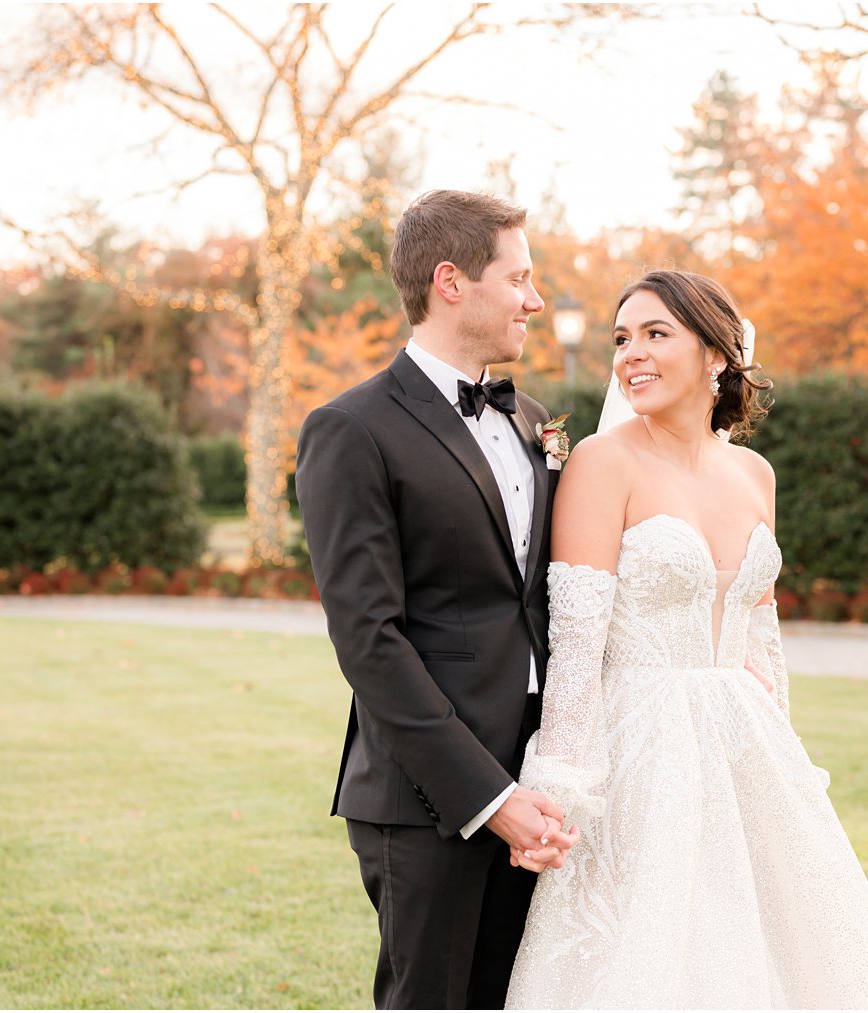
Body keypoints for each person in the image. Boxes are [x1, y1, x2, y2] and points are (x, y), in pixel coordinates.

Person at [505, 270, 868, 1009]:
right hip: (641, 752)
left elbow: (763, 639)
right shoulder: (603, 461)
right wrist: (556, 789)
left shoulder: (757, 475)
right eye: (623, 338)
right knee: (652, 954)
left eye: (657, 334)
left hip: (746, 751)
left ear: (717, 355)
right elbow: (578, 643)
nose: (632, 354)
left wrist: (782, 757)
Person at [295, 189, 579, 1010]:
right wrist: (488, 798)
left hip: (542, 781)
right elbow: (369, 639)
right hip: (429, 797)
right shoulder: (352, 429)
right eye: (519, 277)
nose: (534, 298)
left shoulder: (529, 418)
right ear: (451, 282)